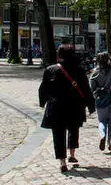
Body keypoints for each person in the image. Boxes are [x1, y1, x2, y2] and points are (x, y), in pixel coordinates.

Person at [39, 44, 95, 173]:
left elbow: (43, 88)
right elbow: (86, 89)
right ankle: (72, 154)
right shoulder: (79, 70)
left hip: (56, 106)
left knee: (58, 134)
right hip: (74, 106)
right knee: (73, 129)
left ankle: (62, 161)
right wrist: (90, 105)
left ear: (59, 55)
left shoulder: (51, 70)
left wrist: (42, 102)